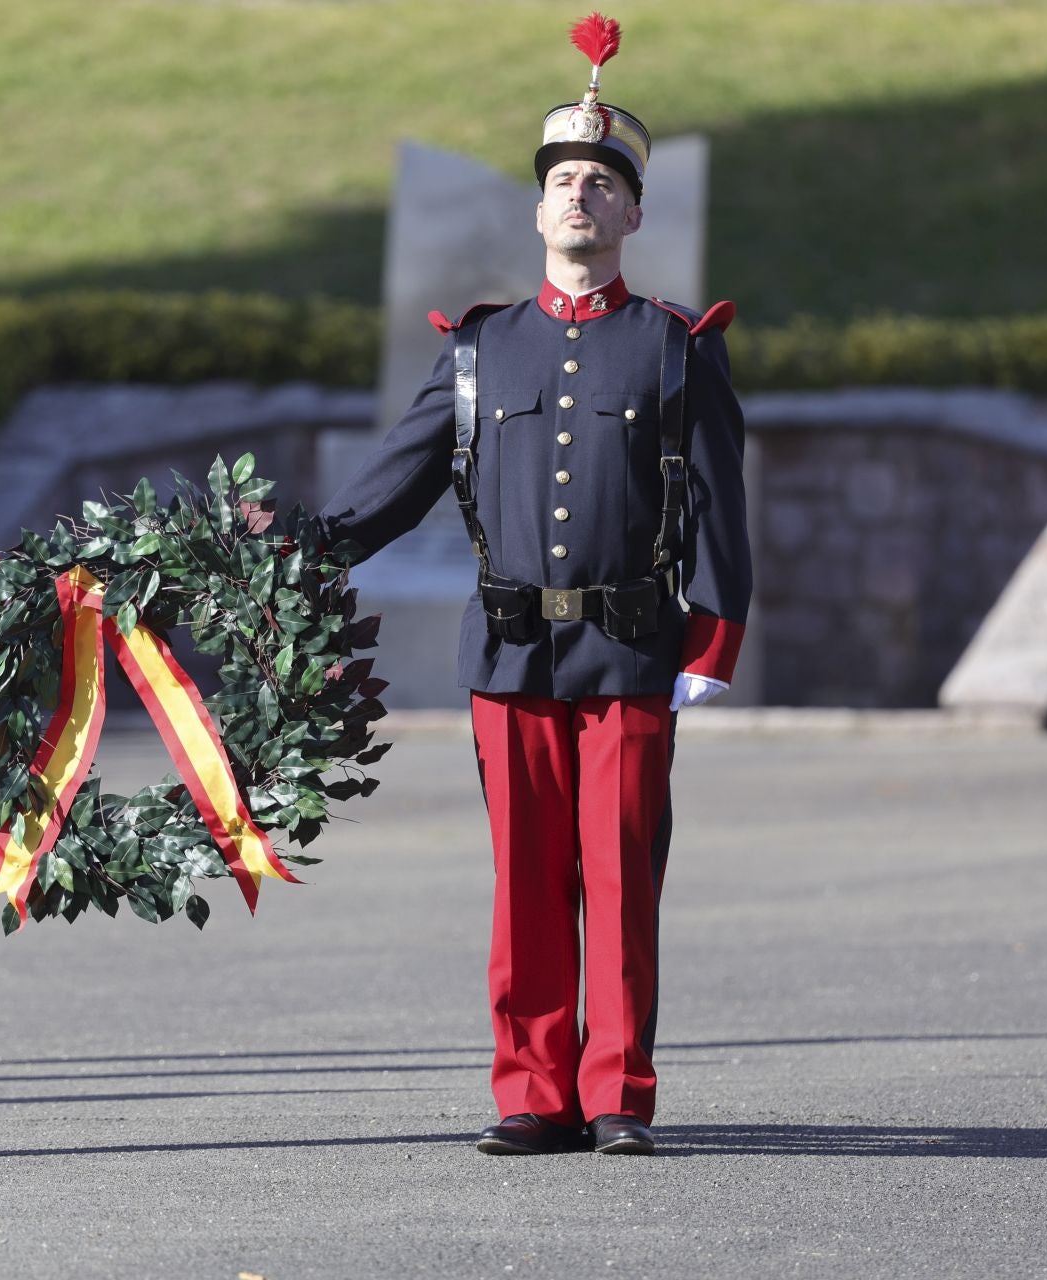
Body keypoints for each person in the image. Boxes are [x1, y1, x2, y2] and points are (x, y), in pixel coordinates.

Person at [318, 13, 751, 1156]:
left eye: (602, 182)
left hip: (633, 646)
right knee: (524, 880)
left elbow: (720, 503)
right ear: (537, 206)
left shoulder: (675, 345)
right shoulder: (481, 348)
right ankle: (533, 1090)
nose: (578, 196)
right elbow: (393, 485)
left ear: (632, 213)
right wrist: (293, 549)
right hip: (511, 650)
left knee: (620, 878)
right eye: (562, 179)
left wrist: (714, 640)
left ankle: (617, 1094)